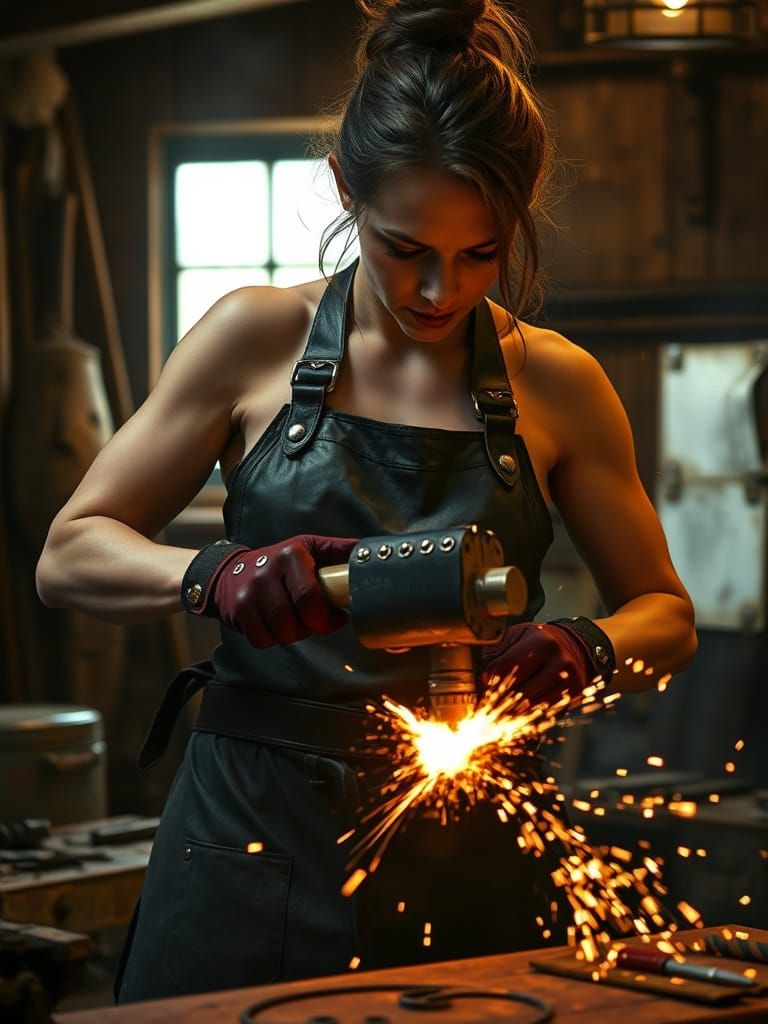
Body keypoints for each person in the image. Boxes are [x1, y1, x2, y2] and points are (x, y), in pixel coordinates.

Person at [36, 0, 697, 1004]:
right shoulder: (252, 338)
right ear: (346, 188)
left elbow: (668, 613)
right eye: (404, 248)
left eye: (481, 254)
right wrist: (215, 573)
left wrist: (588, 646)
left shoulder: (557, 382)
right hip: (249, 834)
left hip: (471, 833)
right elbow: (70, 551)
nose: (440, 289)